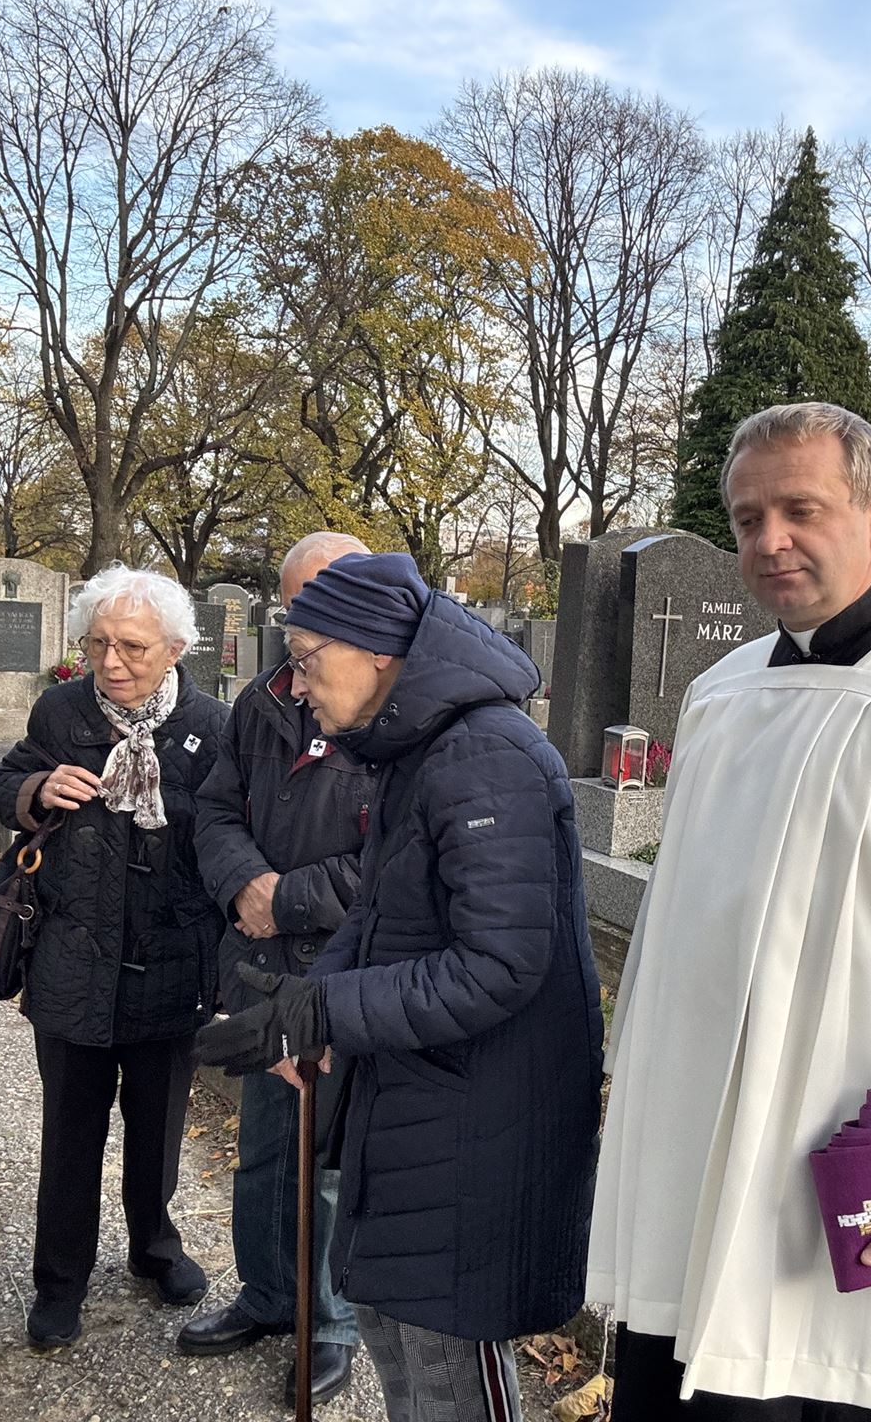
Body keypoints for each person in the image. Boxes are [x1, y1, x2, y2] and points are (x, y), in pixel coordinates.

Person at [586, 402, 871, 1421]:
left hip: (850, 1167)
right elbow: (676, 931)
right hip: (696, 1151)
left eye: (801, 510)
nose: (771, 541)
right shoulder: (719, 693)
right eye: (748, 518)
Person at [191, 551, 603, 1422]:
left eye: (306, 659)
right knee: (398, 1339)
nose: (297, 685)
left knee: (448, 1370)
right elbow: (381, 912)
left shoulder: (485, 755)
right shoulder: (417, 750)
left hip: (476, 1116)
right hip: (416, 1096)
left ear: (377, 650)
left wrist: (326, 1007)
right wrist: (305, 1013)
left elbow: (499, 964)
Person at [0, 565, 229, 1351]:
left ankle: (155, 1250)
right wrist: (34, 789)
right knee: (71, 1134)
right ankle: (59, 1282)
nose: (111, 662)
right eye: (97, 644)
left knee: (158, 1131)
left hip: (171, 963)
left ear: (175, 649)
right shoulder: (61, 711)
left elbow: (233, 837)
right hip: (73, 961)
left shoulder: (212, 728)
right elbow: (5, 781)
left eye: (131, 647)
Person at [178, 533, 375, 1407]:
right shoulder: (262, 700)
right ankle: (266, 1294)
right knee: (262, 1148)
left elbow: (395, 860)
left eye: (318, 608)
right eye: (294, 606)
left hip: (338, 969)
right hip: (259, 965)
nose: (300, 627)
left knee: (327, 1159)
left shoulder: (388, 713)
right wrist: (243, 884)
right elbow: (216, 809)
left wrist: (287, 898)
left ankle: (330, 1319)